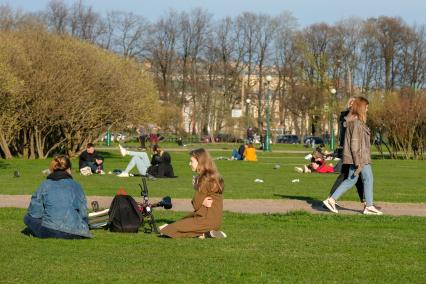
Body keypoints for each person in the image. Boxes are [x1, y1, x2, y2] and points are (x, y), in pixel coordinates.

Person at [322, 97, 383, 215]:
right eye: (366, 107)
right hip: (360, 158)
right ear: (361, 107)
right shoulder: (356, 123)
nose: (367, 109)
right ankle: (369, 206)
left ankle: (331, 200)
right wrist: (357, 162)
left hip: (358, 157)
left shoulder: (356, 121)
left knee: (351, 180)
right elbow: (354, 144)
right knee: (368, 178)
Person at [160, 148, 226, 238]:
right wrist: (202, 200)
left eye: (191, 161)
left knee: (166, 230)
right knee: (181, 223)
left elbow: (196, 204)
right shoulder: (215, 177)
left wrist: (196, 187)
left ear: (200, 162)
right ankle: (207, 234)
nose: (189, 164)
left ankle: (205, 232)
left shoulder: (204, 179)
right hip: (216, 221)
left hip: (205, 221)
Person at [22, 155, 91, 239]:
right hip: (77, 231)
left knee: (27, 218)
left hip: (51, 231)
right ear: (69, 169)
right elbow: (83, 213)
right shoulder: (77, 185)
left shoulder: (45, 184)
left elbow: (35, 212)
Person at [328, 98, 365, 205]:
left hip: (350, 151)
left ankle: (366, 201)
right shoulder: (347, 118)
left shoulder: (352, 117)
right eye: (351, 103)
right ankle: (330, 199)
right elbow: (347, 137)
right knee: (348, 175)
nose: (353, 106)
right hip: (348, 151)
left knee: (355, 175)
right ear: (349, 105)